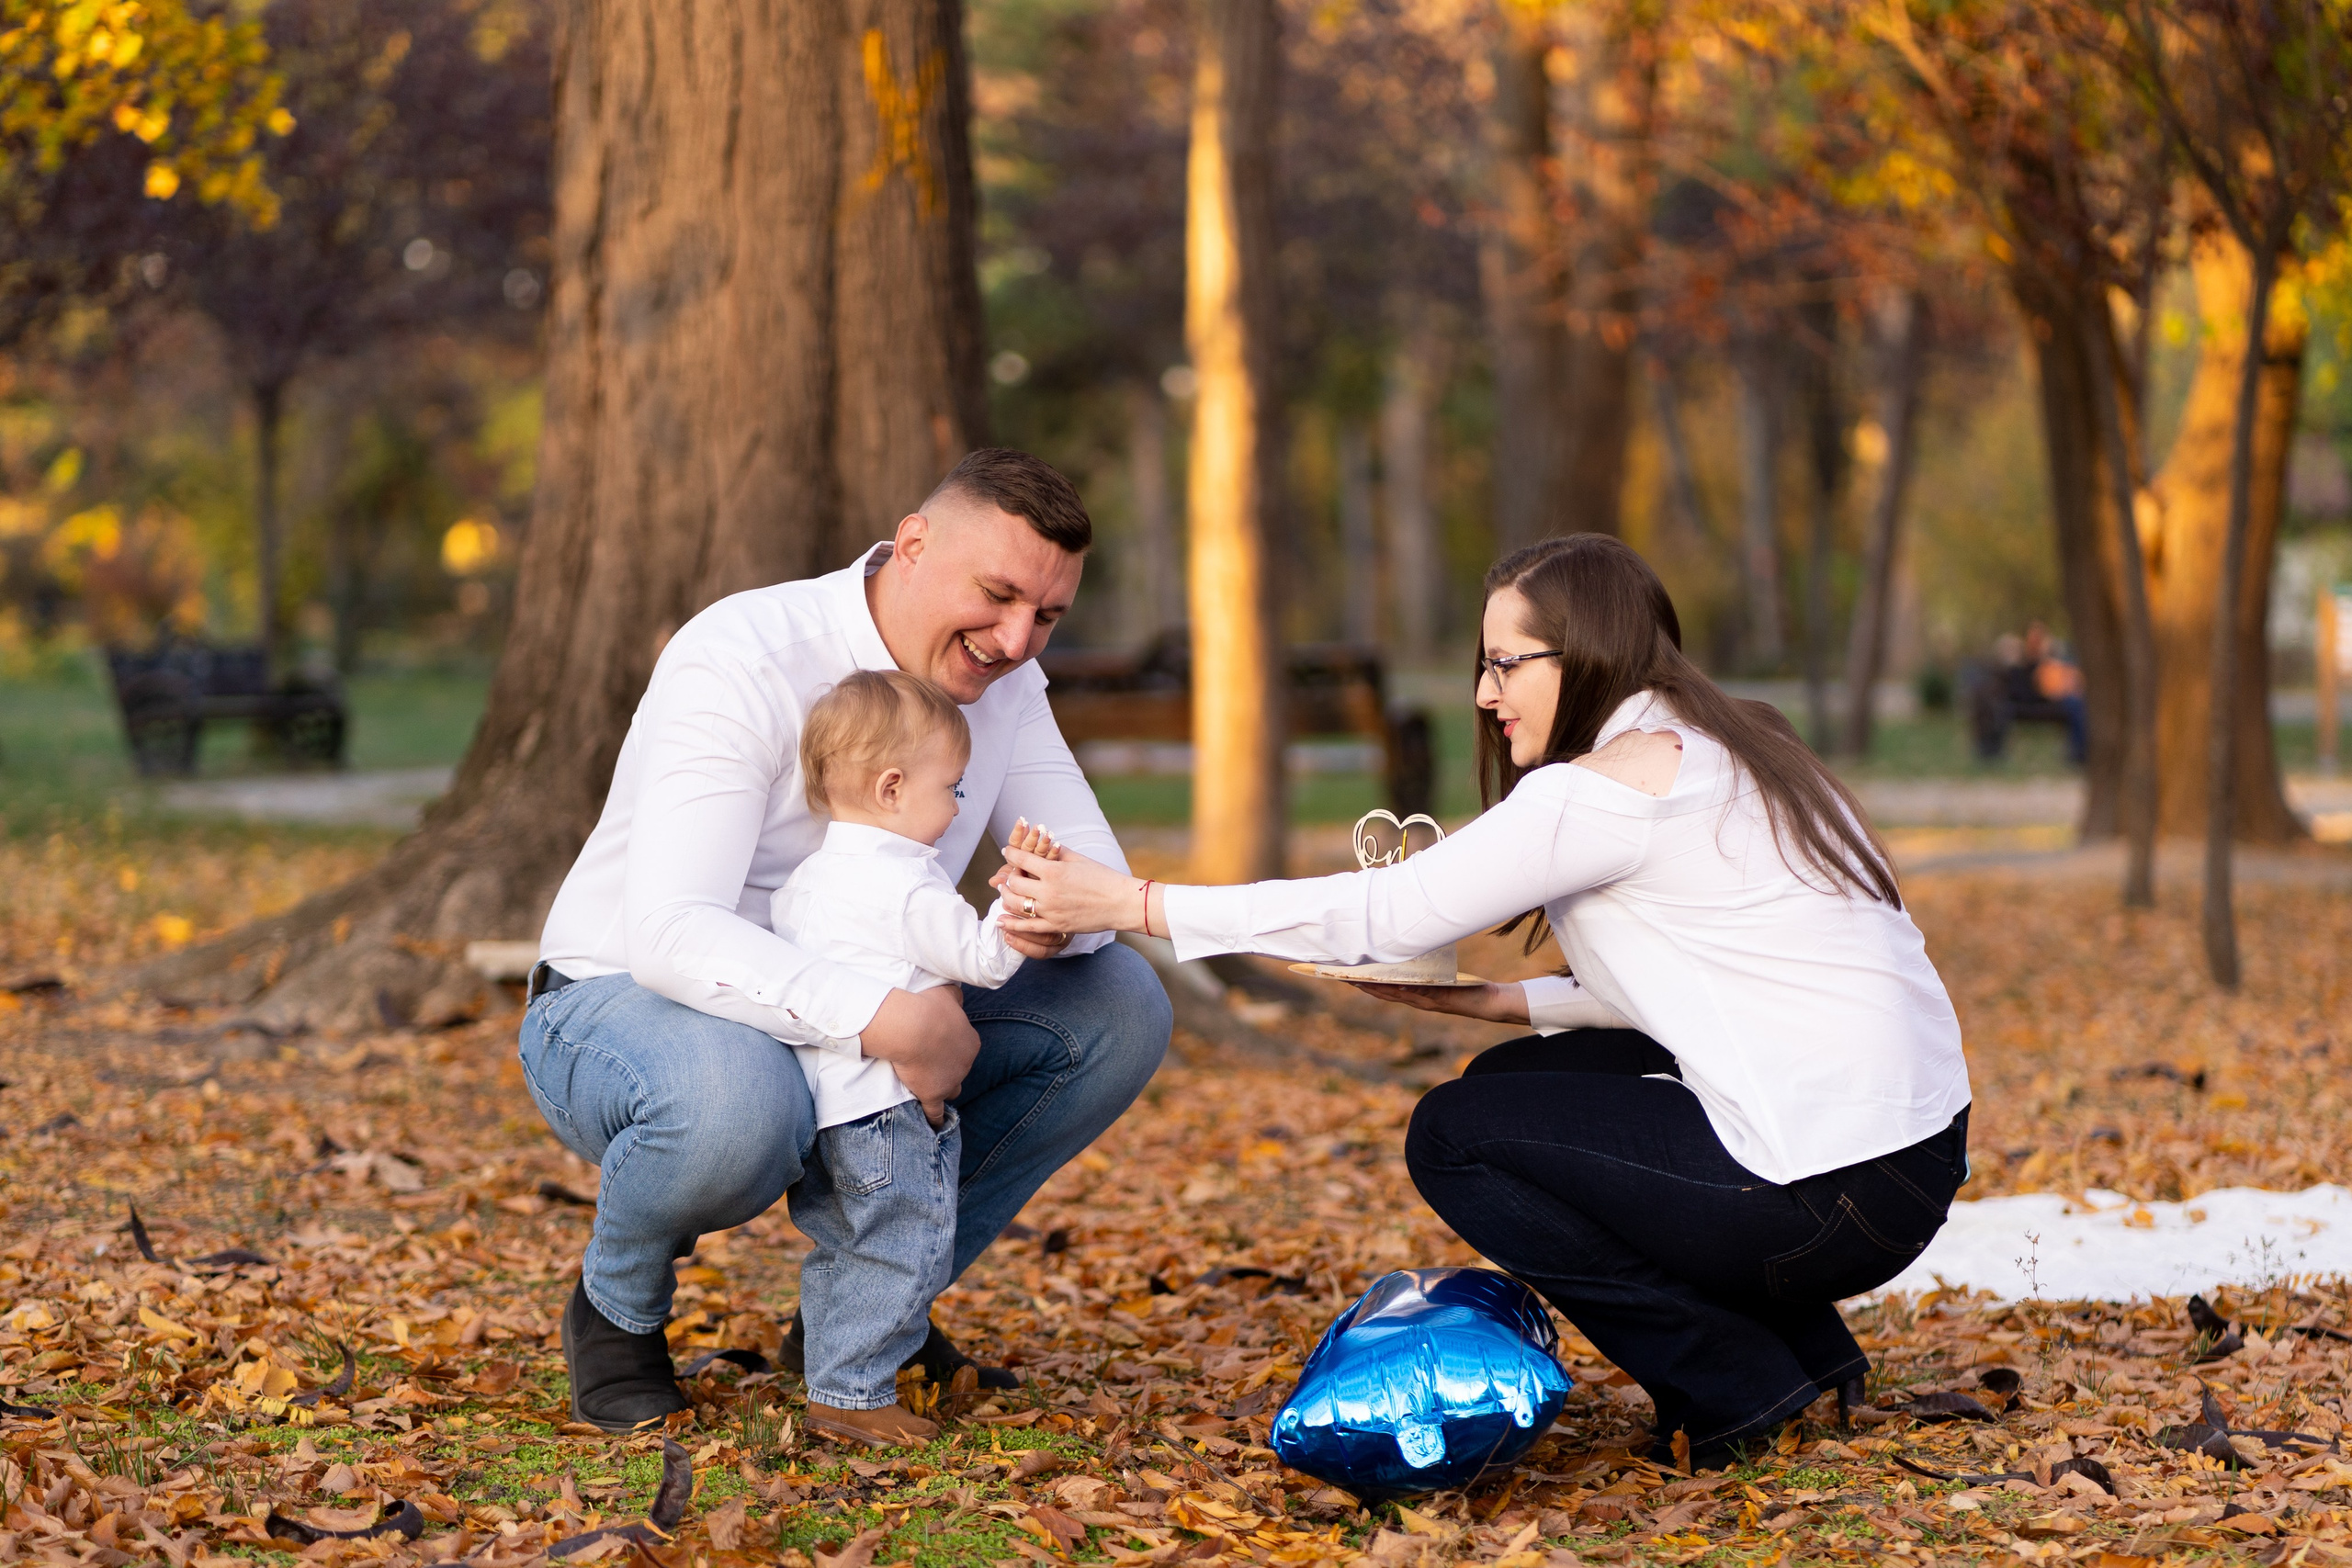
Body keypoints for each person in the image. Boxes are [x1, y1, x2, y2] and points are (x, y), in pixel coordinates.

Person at [995, 534, 1973, 1469]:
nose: (1482, 692)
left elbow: (1387, 909)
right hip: (1900, 1164)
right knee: (1521, 1078)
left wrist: (1132, 903)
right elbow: (1719, 985)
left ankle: (1734, 1387)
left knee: (1454, 1136)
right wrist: (1497, 1002)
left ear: (1584, 651)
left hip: (1822, 1197)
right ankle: (1808, 1359)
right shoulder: (1734, 743)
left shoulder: (1602, 789)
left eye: (1505, 664)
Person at [521, 448, 1172, 1434]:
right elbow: (669, 932)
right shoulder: (743, 650)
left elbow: (1084, 870)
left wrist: (1045, 918)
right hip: (629, 1004)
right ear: (911, 545)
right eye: (996, 596)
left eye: (1046, 617)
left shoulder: (1005, 683)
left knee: (1120, 1004)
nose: (1013, 640)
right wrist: (889, 1018)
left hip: (875, 996)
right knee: (739, 1103)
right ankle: (616, 1307)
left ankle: (870, 1313)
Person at [770, 671, 1055, 1447]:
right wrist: (1020, 897)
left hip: (825, 1110)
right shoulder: (904, 884)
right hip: (889, 1107)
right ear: (893, 787)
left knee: (845, 1246)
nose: (960, 807)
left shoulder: (804, 883)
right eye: (953, 789)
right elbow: (984, 959)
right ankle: (850, 1394)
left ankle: (830, 1367)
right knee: (905, 1249)